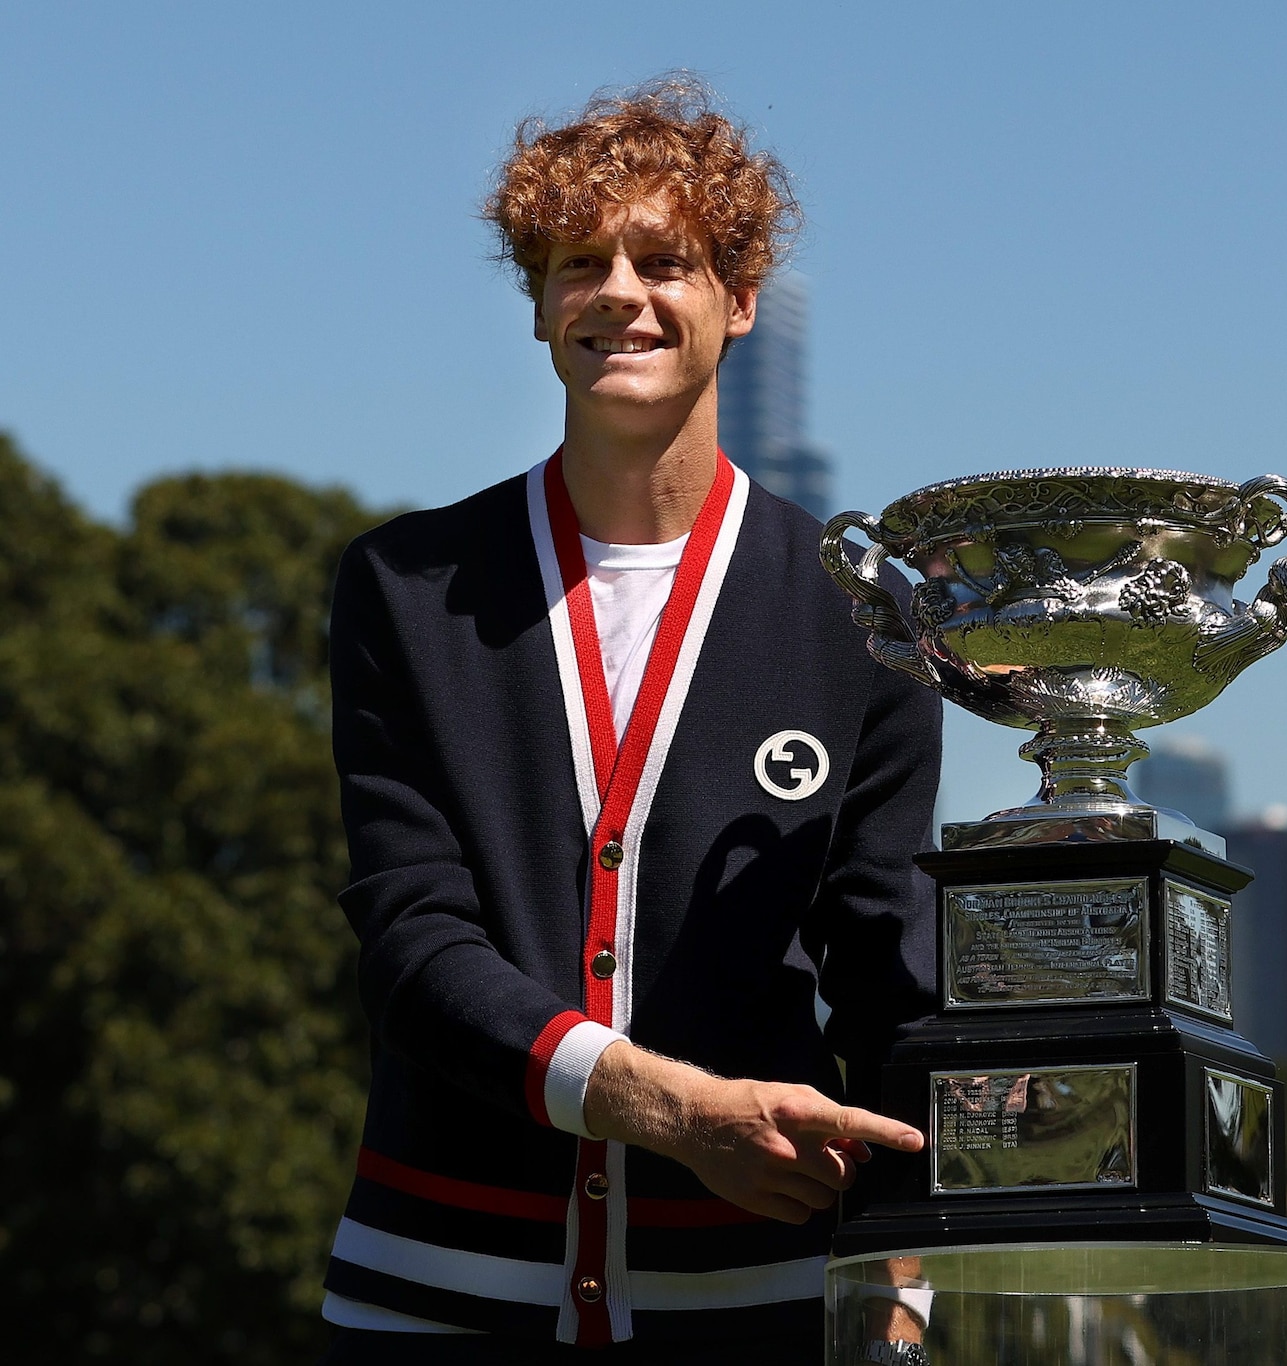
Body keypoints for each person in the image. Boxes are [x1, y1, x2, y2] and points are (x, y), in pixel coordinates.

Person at [317, 76, 940, 1363]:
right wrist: (669, 1112)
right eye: (577, 261)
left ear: (740, 298)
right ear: (539, 305)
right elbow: (414, 949)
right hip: (433, 1297)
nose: (621, 292)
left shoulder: (863, 615)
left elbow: (893, 981)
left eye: (666, 260)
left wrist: (902, 1271)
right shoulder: (406, 589)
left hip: (752, 1306)